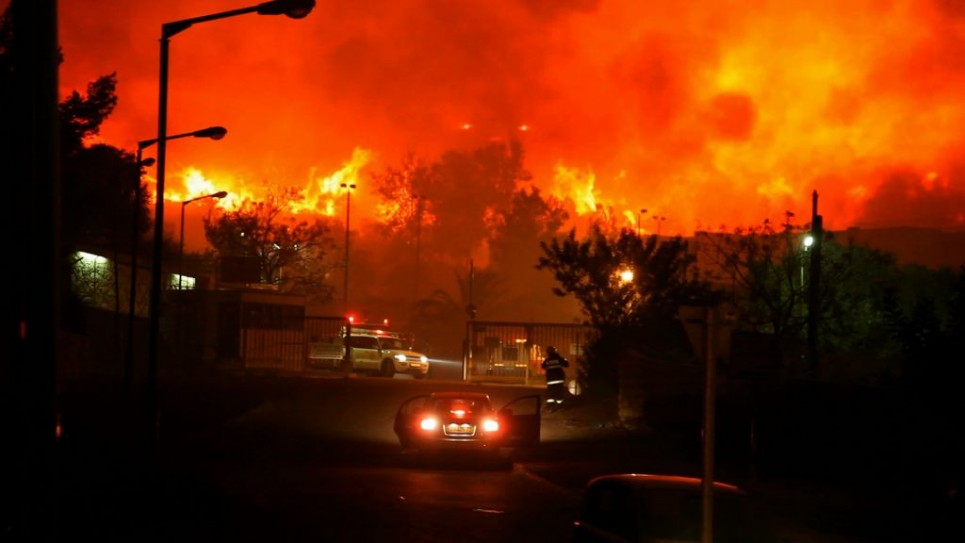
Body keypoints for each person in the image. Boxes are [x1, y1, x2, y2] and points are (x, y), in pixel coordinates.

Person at [541, 345, 569, 411]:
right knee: (559, 392)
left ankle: (550, 407)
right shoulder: (559, 359)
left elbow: (543, 366)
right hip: (559, 379)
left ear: (548, 352)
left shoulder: (547, 360)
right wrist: (564, 359)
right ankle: (560, 406)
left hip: (550, 380)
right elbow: (566, 364)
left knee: (551, 393)